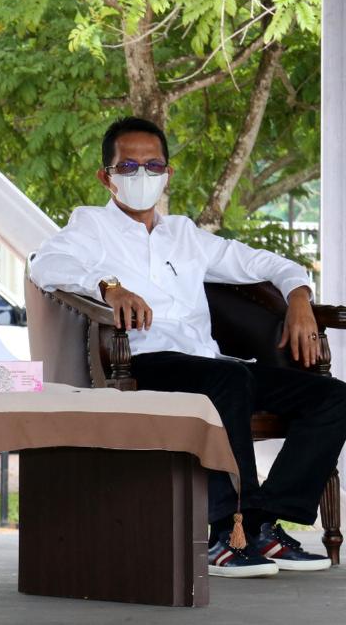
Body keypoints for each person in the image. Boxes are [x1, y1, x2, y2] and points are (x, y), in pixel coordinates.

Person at [30, 116, 346, 579]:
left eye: (153, 166)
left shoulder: (186, 235)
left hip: (209, 367)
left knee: (332, 396)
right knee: (230, 378)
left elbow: (264, 263)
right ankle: (224, 532)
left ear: (167, 173)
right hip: (142, 364)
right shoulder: (90, 226)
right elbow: (45, 264)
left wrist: (299, 295)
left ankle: (259, 524)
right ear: (107, 176)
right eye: (129, 167)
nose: (142, 177)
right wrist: (108, 286)